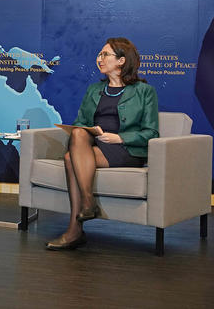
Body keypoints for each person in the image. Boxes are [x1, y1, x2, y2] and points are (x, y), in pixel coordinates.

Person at [46, 37, 159, 250]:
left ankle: (75, 230)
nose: (99, 58)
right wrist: (89, 131)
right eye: (99, 54)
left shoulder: (145, 92)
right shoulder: (94, 89)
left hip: (125, 150)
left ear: (121, 61)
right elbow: (81, 121)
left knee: (71, 159)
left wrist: (120, 138)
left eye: (105, 54)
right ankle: (87, 205)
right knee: (78, 134)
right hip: (94, 145)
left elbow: (151, 132)